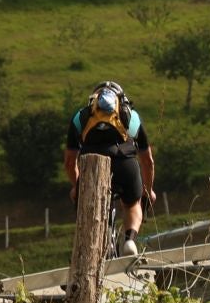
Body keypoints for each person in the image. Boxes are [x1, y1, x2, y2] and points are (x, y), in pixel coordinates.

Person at [64, 81, 156, 256]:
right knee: (132, 204)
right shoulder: (131, 116)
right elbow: (148, 161)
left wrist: (77, 187)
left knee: (86, 207)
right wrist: (148, 190)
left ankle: (93, 243)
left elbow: (69, 162)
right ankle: (129, 240)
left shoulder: (80, 117)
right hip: (126, 165)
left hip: (92, 168)